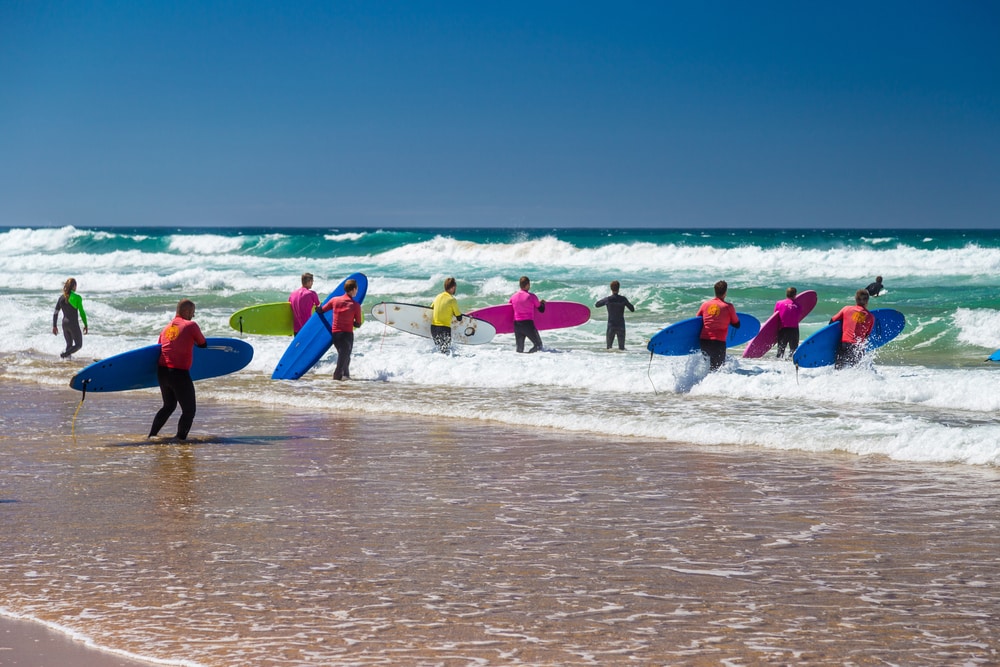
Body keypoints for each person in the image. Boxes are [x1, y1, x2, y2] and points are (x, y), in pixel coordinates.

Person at [149, 299, 207, 441]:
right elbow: (203, 343)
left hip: (162, 372)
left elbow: (158, 348)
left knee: (168, 406)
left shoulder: (166, 328)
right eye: (192, 312)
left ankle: (152, 435)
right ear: (187, 311)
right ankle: (180, 439)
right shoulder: (191, 325)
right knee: (189, 410)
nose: (193, 316)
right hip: (179, 374)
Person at [320, 278, 363, 380]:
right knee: (341, 363)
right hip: (347, 336)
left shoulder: (334, 300)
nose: (357, 291)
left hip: (335, 335)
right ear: (353, 289)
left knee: (345, 359)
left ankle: (346, 379)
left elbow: (321, 310)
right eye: (356, 289)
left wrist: (317, 308)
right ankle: (336, 386)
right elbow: (358, 324)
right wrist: (351, 321)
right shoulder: (355, 305)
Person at [697, 280, 740, 371]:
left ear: (715, 291)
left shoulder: (705, 304)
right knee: (716, 370)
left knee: (707, 367)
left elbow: (697, 321)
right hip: (718, 342)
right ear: (725, 292)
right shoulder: (728, 307)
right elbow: (737, 324)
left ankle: (702, 383)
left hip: (703, 341)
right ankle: (711, 384)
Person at [831, 289, 875, 369]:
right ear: (867, 301)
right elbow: (866, 335)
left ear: (855, 299)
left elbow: (832, 321)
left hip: (844, 344)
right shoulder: (871, 317)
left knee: (838, 369)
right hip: (857, 347)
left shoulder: (846, 309)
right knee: (856, 370)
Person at [52, 278, 88, 358]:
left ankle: (67, 363)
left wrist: (54, 326)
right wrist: (85, 324)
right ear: (74, 286)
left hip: (64, 324)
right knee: (78, 345)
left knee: (69, 345)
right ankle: (64, 355)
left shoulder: (61, 298)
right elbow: (82, 312)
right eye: (76, 285)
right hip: (73, 324)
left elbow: (55, 312)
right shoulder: (77, 297)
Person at [595, 280, 635, 350]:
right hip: (621, 326)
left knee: (609, 348)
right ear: (619, 289)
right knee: (622, 348)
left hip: (611, 325)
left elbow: (597, 305)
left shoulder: (608, 299)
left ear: (611, 289)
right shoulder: (623, 299)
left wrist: (606, 300)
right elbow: (632, 309)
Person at [509, 276, 546, 353]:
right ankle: (529, 357)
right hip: (528, 325)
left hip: (517, 325)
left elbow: (509, 308)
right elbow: (541, 309)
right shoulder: (531, 296)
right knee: (538, 345)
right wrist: (542, 303)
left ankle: (522, 361)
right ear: (528, 285)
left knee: (519, 350)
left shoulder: (513, 296)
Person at [430, 277, 463, 353]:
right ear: (453, 287)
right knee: (446, 352)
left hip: (433, 329)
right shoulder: (452, 300)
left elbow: (431, 308)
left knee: (439, 351)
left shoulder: (438, 296)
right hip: (444, 329)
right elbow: (459, 317)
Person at [773, 286, 803, 359]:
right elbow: (799, 316)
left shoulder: (779, 303)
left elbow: (775, 317)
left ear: (786, 294)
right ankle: (791, 365)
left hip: (783, 329)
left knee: (780, 350)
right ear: (795, 295)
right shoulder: (798, 306)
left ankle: (777, 366)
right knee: (793, 350)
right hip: (794, 330)